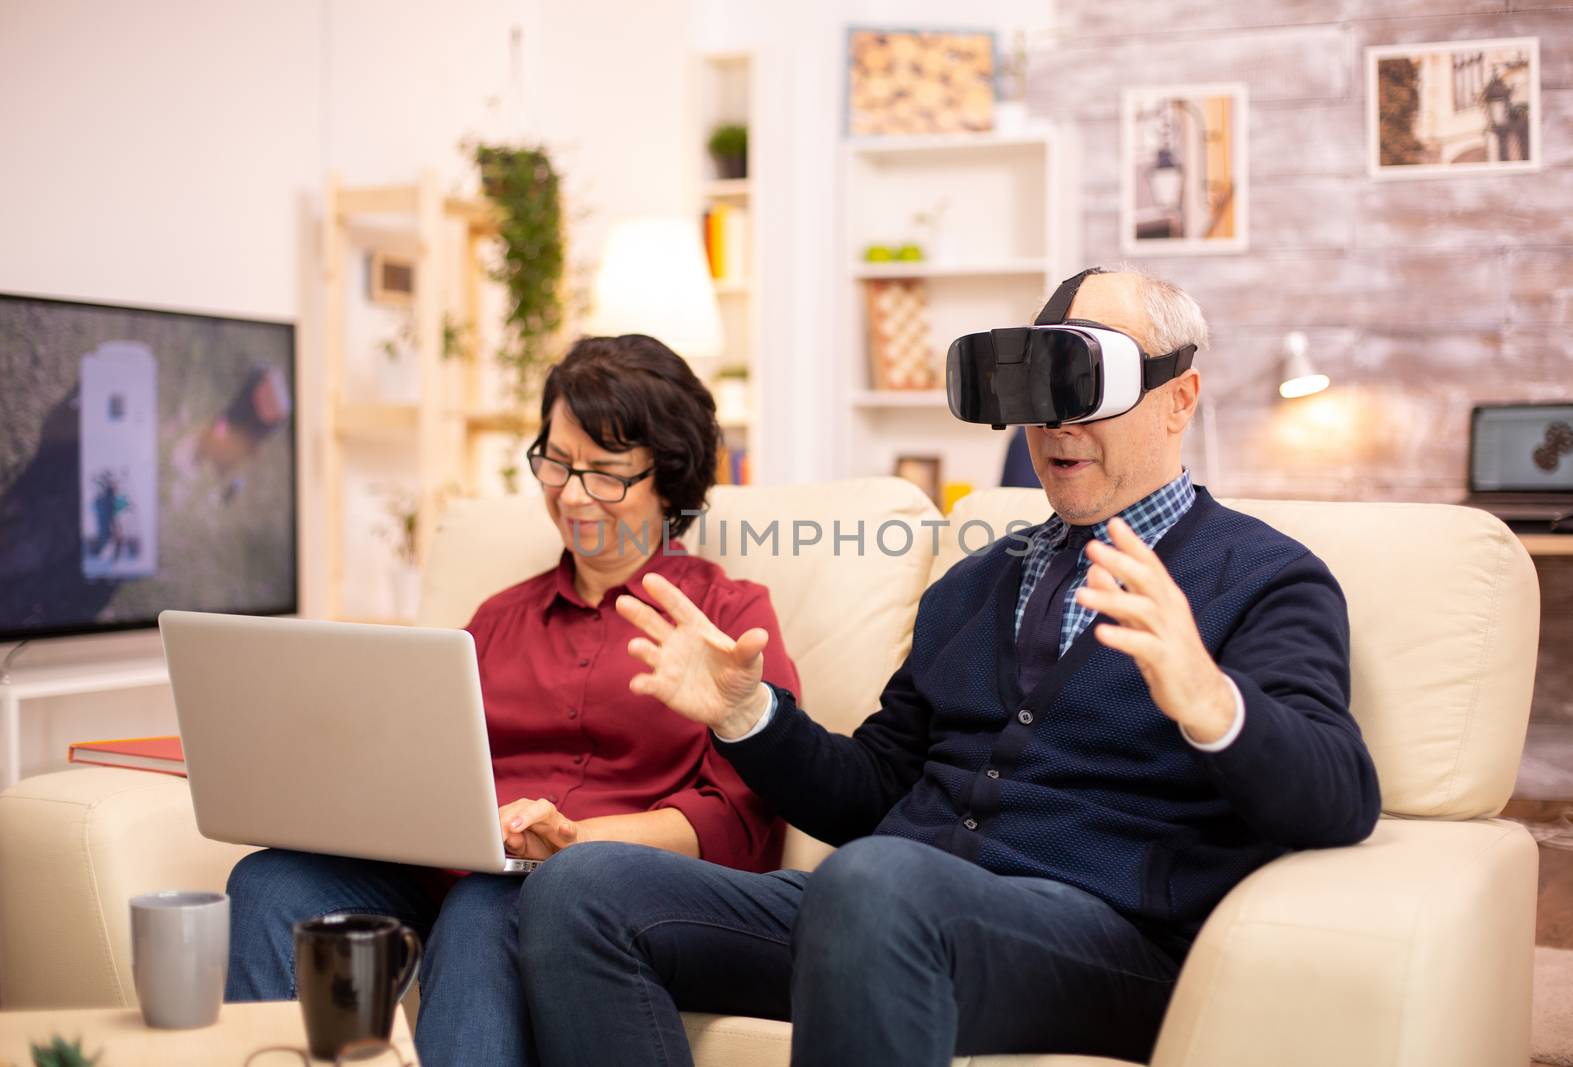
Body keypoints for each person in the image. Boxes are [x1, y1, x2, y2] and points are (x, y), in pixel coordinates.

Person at [514, 269, 1382, 1065]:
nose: (1057, 424)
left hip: (1105, 945)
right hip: (880, 913)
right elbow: (871, 791)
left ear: (1178, 399)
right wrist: (749, 714)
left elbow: (1337, 796)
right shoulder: (973, 584)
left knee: (876, 885)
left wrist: (1209, 699)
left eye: (1090, 390)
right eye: (1043, 392)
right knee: (580, 889)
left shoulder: (1264, 577)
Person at [224, 334, 800, 1065]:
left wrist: (575, 838)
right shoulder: (497, 619)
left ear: (670, 477)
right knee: (269, 880)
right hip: (459, 864)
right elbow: (422, 758)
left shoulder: (727, 617)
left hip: (591, 884)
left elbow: (742, 820)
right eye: (556, 462)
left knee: (486, 904)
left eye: (607, 472)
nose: (573, 493)